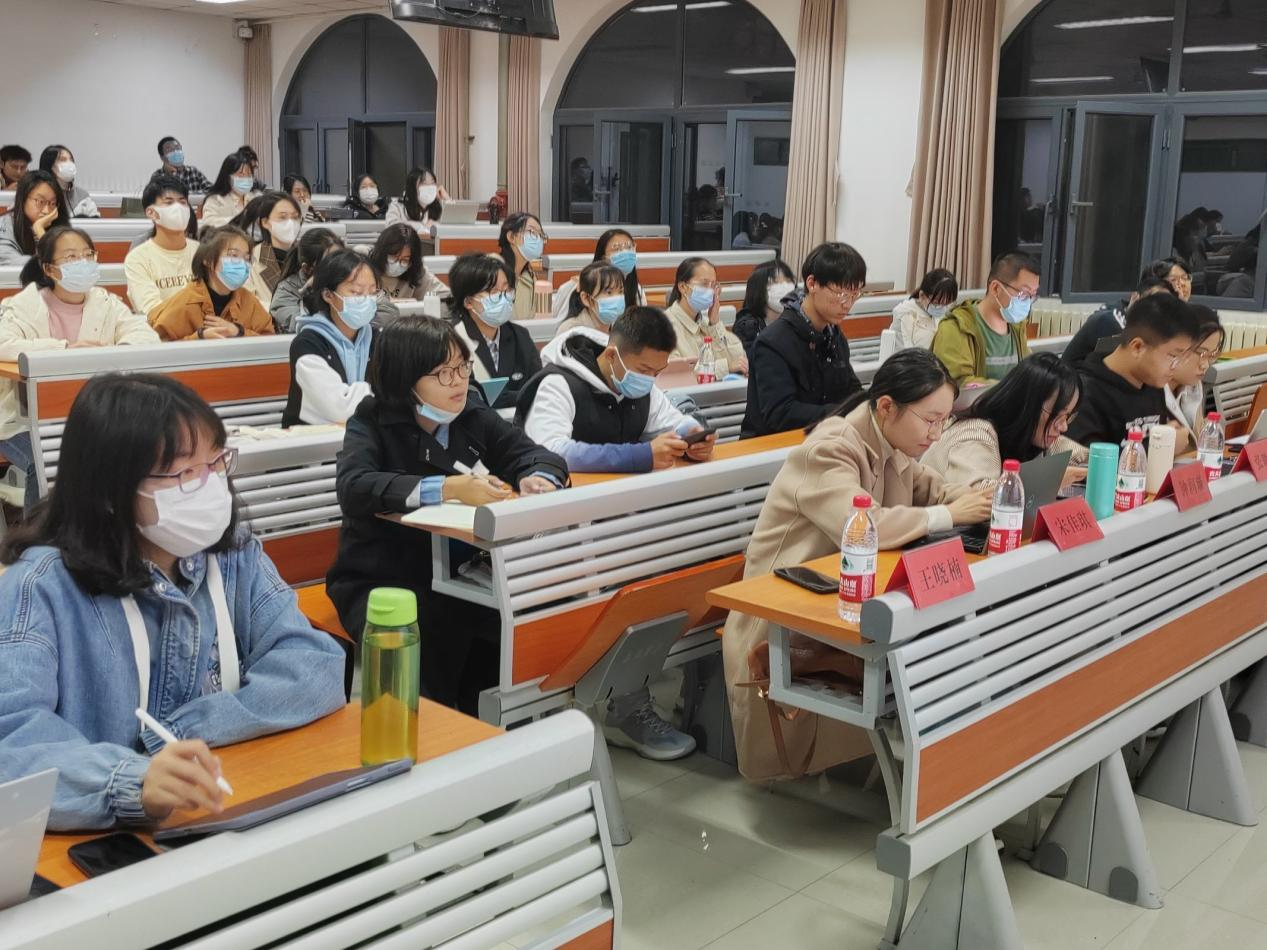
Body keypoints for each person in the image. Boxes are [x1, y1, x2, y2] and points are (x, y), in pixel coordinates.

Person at [0, 373, 346, 830]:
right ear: (110, 492)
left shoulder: (234, 556)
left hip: (221, 808)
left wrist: (183, 733)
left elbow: (315, 665)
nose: (209, 485)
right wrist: (132, 780)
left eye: (215, 462)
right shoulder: (40, 588)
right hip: (100, 843)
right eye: (184, 473)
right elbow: (13, 739)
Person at [723, 349, 993, 781]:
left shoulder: (891, 444)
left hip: (846, 597)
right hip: (785, 612)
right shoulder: (830, 449)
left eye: (943, 421)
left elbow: (936, 489)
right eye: (930, 420)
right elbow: (865, 527)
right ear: (886, 406)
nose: (936, 434)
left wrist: (982, 496)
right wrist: (948, 514)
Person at [326, 316, 567, 714]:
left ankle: (488, 726)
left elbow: (536, 455)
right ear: (405, 379)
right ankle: (434, 732)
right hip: (382, 575)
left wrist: (537, 477)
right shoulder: (371, 419)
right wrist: (447, 488)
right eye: (443, 373)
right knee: (429, 633)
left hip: (460, 576)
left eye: (463, 367)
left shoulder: (470, 413)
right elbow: (354, 486)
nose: (458, 381)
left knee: (511, 623)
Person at [0, 227, 159, 510]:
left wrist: (110, 353)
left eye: (88, 255)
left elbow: (145, 336)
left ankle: (103, 527)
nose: (82, 263)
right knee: (45, 460)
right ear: (49, 268)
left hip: (92, 416)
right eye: (71, 257)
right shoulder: (24, 305)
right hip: (21, 422)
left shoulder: (106, 302)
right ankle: (38, 534)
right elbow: (4, 344)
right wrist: (64, 349)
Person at [519, 307, 717, 473]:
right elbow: (552, 450)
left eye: (657, 372)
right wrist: (640, 456)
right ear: (611, 356)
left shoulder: (642, 387)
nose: (650, 379)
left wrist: (693, 435)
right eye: (644, 370)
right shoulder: (558, 384)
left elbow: (672, 422)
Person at [740, 242, 865, 438]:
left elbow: (850, 388)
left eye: (854, 294)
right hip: (772, 445)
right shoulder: (773, 342)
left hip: (821, 438)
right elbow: (781, 413)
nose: (847, 304)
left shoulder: (833, 335)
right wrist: (843, 412)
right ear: (812, 283)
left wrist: (871, 404)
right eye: (841, 294)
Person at [922, 353, 1087, 485]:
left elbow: (1084, 458)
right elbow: (978, 499)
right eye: (1057, 415)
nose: (1063, 426)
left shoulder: (1033, 435)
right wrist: (1049, 480)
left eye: (1068, 416)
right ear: (1026, 406)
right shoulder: (975, 434)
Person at [1065, 293, 1200, 451]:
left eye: (1182, 358)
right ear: (1137, 347)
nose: (1176, 367)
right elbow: (1086, 462)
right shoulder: (1084, 394)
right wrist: (1162, 447)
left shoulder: (1152, 384)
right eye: (1173, 356)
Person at [283, 249, 378, 427]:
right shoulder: (307, 344)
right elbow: (339, 409)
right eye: (357, 292)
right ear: (328, 295)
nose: (367, 300)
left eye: (373, 293)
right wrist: (382, 393)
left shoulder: (377, 339)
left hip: (363, 435)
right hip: (312, 439)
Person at [447, 252, 542, 409]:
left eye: (507, 289)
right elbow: (466, 397)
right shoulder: (452, 340)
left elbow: (539, 388)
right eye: (494, 292)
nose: (504, 298)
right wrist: (517, 396)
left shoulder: (520, 336)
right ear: (469, 301)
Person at [150, 226, 275, 341]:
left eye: (246, 259)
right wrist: (199, 337)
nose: (242, 264)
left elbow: (269, 340)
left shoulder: (248, 300)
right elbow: (159, 347)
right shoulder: (185, 302)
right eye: (233, 255)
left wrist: (239, 332)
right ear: (208, 260)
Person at [931, 251, 1037, 388]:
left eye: (1032, 295)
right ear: (996, 288)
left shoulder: (1017, 327)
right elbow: (957, 386)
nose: (1028, 302)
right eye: (1024, 294)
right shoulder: (956, 327)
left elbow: (1026, 374)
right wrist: (1011, 391)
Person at [1062, 265, 1178, 367]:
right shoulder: (1111, 322)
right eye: (1150, 303)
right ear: (1135, 297)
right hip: (1074, 380)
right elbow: (1132, 364)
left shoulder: (1128, 314)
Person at [124, 175, 199, 320]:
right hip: (159, 332)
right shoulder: (138, 258)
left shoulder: (201, 252)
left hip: (205, 330)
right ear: (151, 213)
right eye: (169, 202)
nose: (178, 208)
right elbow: (153, 311)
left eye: (183, 202)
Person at [664, 258, 747, 375]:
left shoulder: (706, 323)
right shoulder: (664, 326)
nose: (710, 290)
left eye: (713, 285)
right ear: (683, 287)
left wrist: (715, 324)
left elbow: (739, 359)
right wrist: (725, 368)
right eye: (704, 284)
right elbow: (677, 373)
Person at [549, 228, 648, 320]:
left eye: (629, 247)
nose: (625, 253)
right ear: (603, 258)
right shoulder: (578, 286)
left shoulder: (636, 289)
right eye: (617, 248)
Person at [1164, 305, 1223, 444]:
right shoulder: (1149, 390)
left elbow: (1197, 440)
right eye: (1201, 353)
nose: (1205, 365)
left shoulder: (1192, 384)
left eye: (1212, 355)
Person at [270, 227, 345, 333]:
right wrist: (315, 292)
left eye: (339, 259)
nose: (337, 267)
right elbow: (306, 327)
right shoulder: (285, 292)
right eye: (329, 263)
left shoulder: (349, 282)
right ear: (307, 268)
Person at [241, 191, 303, 309]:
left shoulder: (309, 256)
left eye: (295, 217)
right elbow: (247, 303)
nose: (290, 223)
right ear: (265, 222)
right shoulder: (250, 258)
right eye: (283, 217)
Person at [0, 170, 70, 266]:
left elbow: (68, 263)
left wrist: (40, 231)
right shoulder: (4, 225)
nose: (47, 211)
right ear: (23, 199)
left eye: (52, 203)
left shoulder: (57, 226)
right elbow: (9, 261)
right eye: (40, 201)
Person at [368, 224, 448, 302]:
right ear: (383, 252)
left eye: (405, 260)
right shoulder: (365, 260)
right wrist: (389, 301)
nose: (397, 264)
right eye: (394, 257)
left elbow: (445, 295)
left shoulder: (416, 271)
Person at [732, 259, 796, 356]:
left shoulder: (796, 320)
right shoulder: (747, 326)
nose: (785, 287)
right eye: (776, 282)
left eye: (788, 281)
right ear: (759, 289)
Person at [892, 268, 958, 351]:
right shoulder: (905, 313)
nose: (942, 307)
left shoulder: (943, 314)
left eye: (947, 303)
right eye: (937, 302)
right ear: (922, 295)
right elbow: (906, 353)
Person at [555, 261, 625, 336]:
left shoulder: (622, 327)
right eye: (609, 292)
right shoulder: (571, 331)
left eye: (621, 291)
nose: (617, 298)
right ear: (585, 298)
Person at [499, 212, 548, 320]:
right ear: (511, 237)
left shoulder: (533, 276)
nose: (538, 239)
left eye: (541, 235)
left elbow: (545, 317)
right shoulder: (494, 275)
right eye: (532, 232)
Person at [200, 153, 260, 228]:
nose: (246, 178)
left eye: (249, 174)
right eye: (241, 174)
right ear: (228, 177)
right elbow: (208, 223)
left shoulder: (255, 198)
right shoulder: (215, 200)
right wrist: (240, 220)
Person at [37, 145, 99, 218]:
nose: (69, 164)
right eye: (63, 160)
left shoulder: (82, 195)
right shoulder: (39, 195)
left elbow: (95, 220)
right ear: (50, 166)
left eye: (71, 160)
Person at [386, 167, 448, 234]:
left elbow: (450, 227)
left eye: (432, 183)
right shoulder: (397, 206)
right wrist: (421, 226)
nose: (430, 187)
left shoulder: (438, 206)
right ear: (412, 188)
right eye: (424, 183)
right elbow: (392, 227)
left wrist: (447, 199)